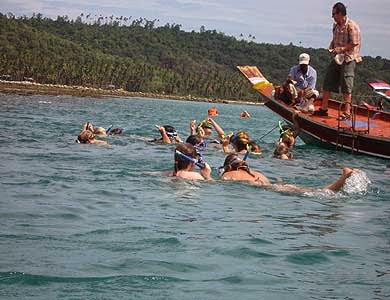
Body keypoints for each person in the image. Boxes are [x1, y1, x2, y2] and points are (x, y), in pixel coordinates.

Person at [313, 2, 362, 120]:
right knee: (328, 81)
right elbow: (334, 39)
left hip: (348, 58)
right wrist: (331, 47)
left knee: (346, 84)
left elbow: (355, 43)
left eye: (334, 14)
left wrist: (342, 49)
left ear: (340, 13)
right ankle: (324, 109)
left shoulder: (352, 25)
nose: (332, 16)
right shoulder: (335, 26)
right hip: (337, 58)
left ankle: (347, 113)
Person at [220, 153, 359, 193]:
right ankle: (343, 179)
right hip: (272, 185)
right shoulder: (257, 173)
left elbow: (213, 183)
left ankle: (342, 180)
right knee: (314, 190)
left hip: (267, 189)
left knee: (319, 192)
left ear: (229, 168)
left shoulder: (228, 175)